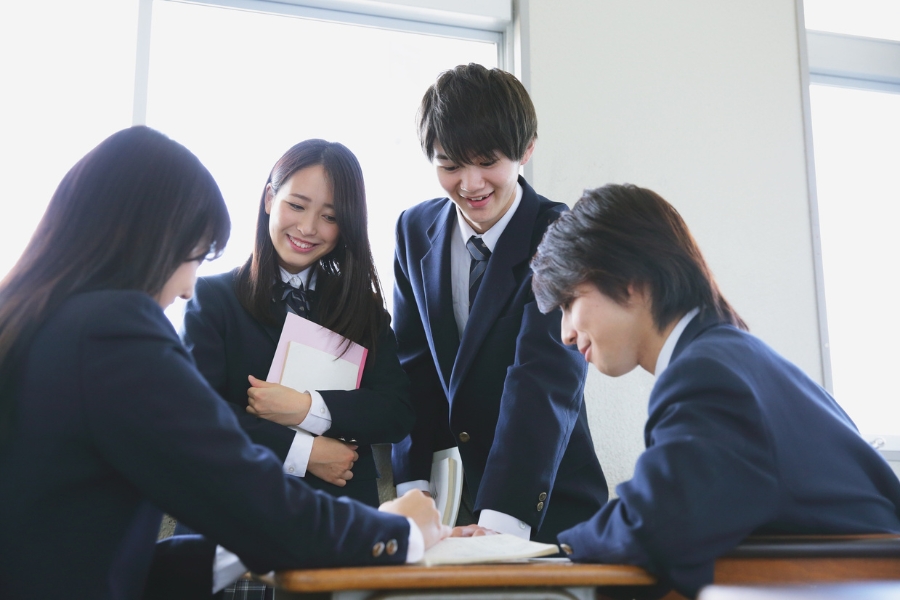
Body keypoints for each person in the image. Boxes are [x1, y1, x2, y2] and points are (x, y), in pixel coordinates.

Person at [0, 126, 447, 600]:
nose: (188, 287)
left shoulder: (38, 320)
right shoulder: (113, 330)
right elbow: (228, 477)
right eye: (193, 256)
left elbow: (81, 539)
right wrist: (397, 531)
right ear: (148, 239)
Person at [530, 183, 900, 598]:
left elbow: (654, 522)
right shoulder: (729, 354)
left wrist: (554, 548)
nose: (564, 332)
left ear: (629, 280)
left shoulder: (706, 375)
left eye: (569, 301)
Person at [391, 63, 608, 544]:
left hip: (543, 502)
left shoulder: (559, 233)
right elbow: (414, 364)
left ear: (526, 149)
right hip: (452, 508)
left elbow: (544, 378)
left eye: (487, 162)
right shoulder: (413, 230)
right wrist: (415, 490)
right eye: (449, 166)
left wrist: (501, 522)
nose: (470, 185)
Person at [181, 139, 412, 509]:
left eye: (330, 217)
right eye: (297, 205)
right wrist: (305, 452)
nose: (307, 228)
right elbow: (198, 415)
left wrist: (307, 408)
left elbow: (395, 412)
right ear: (270, 198)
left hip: (342, 514)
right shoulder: (212, 298)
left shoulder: (362, 307)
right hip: (236, 509)